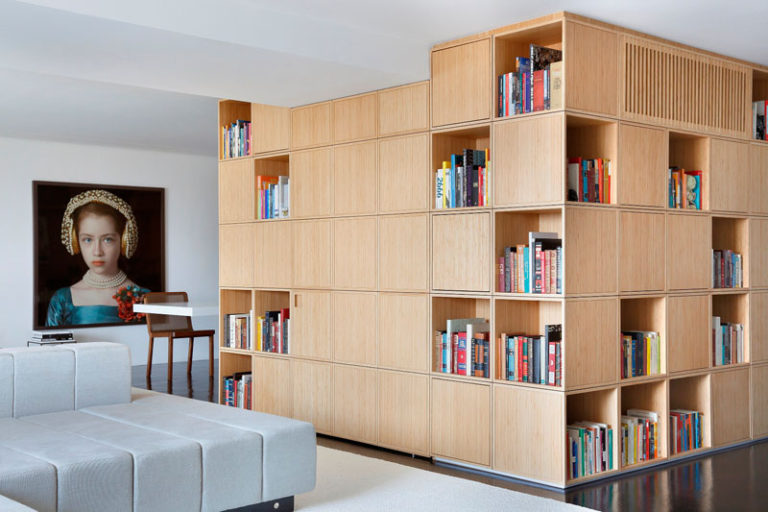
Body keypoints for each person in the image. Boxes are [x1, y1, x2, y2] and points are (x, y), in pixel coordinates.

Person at [46, 189, 149, 326]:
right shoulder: (62, 300)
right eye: (88, 240)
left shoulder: (145, 298)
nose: (97, 251)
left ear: (124, 240)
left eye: (108, 239)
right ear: (76, 242)